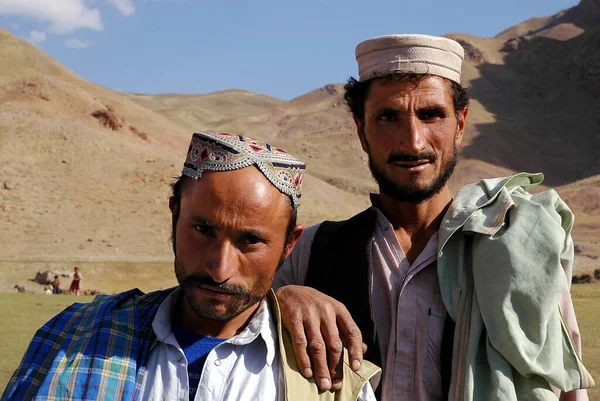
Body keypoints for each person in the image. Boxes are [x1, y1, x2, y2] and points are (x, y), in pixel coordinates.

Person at [273, 34, 593, 400]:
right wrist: (280, 298)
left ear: (460, 124)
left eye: (431, 115)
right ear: (361, 130)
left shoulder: (520, 245)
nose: (413, 142)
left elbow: (564, 383)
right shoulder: (311, 252)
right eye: (388, 117)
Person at [2, 132, 380, 401]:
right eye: (202, 230)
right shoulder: (73, 339)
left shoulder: (331, 380)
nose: (219, 268)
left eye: (251, 241)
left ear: (288, 245)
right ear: (174, 216)